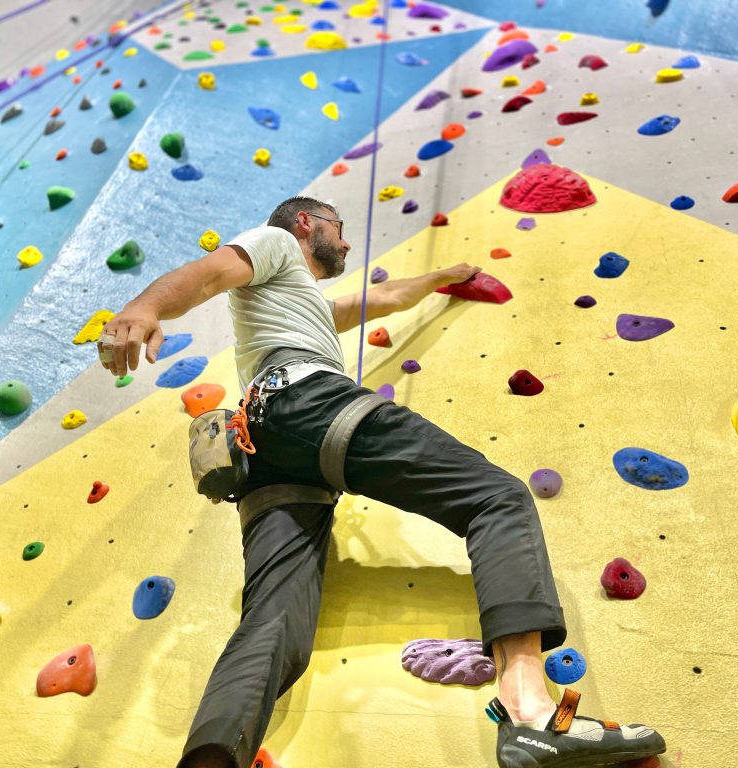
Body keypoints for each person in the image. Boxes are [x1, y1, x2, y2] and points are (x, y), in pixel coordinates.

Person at [97, 197, 667, 768]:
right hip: (305, 403)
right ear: (305, 223)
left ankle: (212, 758)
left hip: (266, 453)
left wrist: (442, 277)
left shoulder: (301, 300)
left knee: (272, 618)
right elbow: (209, 274)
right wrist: (144, 308)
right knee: (497, 498)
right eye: (339, 230)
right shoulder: (273, 245)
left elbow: (383, 299)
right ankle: (531, 713)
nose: (345, 244)